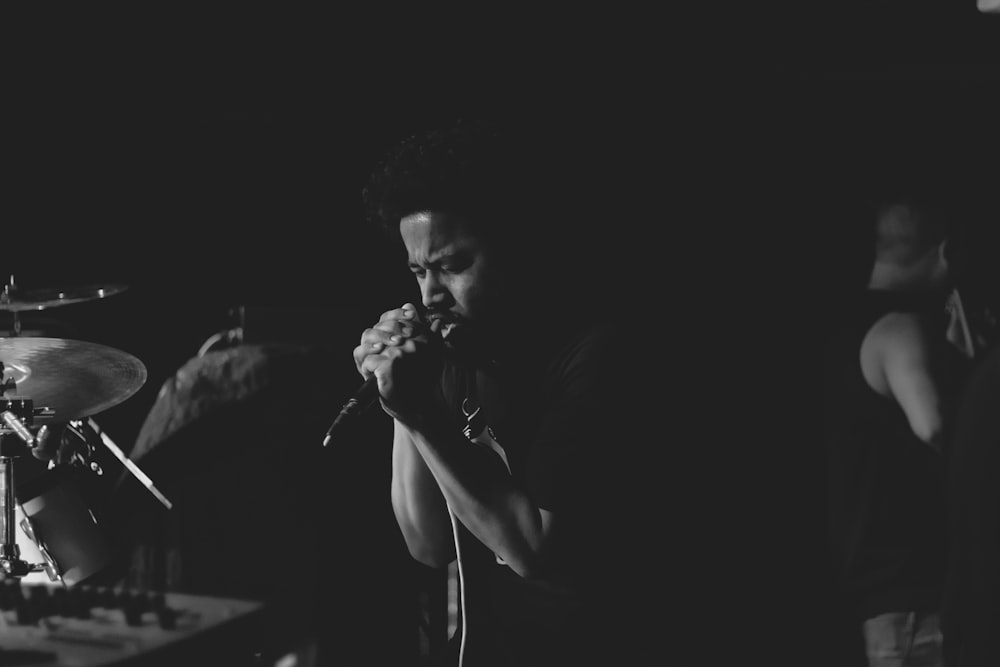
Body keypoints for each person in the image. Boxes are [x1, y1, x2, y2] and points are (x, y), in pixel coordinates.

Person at [347, 118, 664, 666]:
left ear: (519, 245)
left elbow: (530, 544)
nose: (430, 295)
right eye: (419, 271)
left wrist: (419, 411)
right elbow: (427, 544)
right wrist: (399, 397)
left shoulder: (597, 356)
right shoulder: (461, 352)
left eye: (452, 266)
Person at [823, 189, 972, 667]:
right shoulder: (902, 328)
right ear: (947, 251)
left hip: (884, 610)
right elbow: (932, 426)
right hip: (918, 613)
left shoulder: (844, 332)